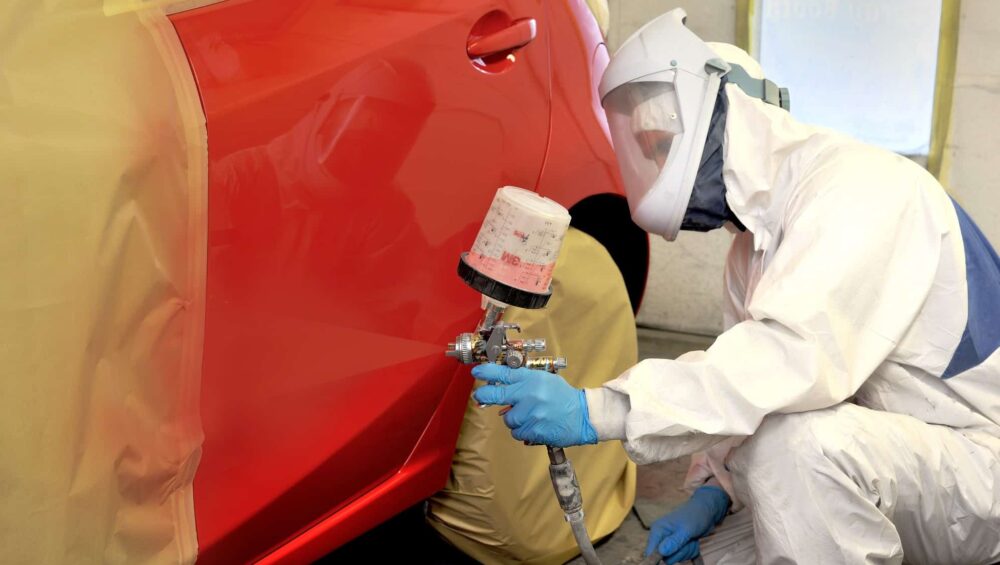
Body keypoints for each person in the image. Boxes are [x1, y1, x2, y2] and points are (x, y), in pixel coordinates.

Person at [472, 8, 1000, 565]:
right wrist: (711, 496)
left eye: (661, 144)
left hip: (976, 475)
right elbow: (748, 388)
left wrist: (596, 410)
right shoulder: (752, 249)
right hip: (898, 464)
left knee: (791, 450)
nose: (654, 160)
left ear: (729, 109)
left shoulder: (863, 189)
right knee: (712, 553)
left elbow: (781, 364)